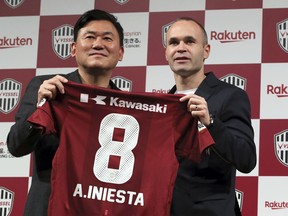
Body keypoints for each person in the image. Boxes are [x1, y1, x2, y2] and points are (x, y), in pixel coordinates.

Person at [6, 9, 124, 216]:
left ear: (121, 52)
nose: (98, 44)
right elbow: (16, 146)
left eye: (107, 38)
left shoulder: (126, 106)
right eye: (90, 37)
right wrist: (41, 107)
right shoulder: (43, 87)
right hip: (47, 208)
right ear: (73, 49)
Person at [165, 17, 257, 216]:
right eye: (173, 42)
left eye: (189, 41)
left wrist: (211, 122)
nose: (180, 48)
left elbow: (247, 159)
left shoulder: (231, 96)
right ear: (166, 53)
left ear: (206, 51)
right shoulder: (163, 104)